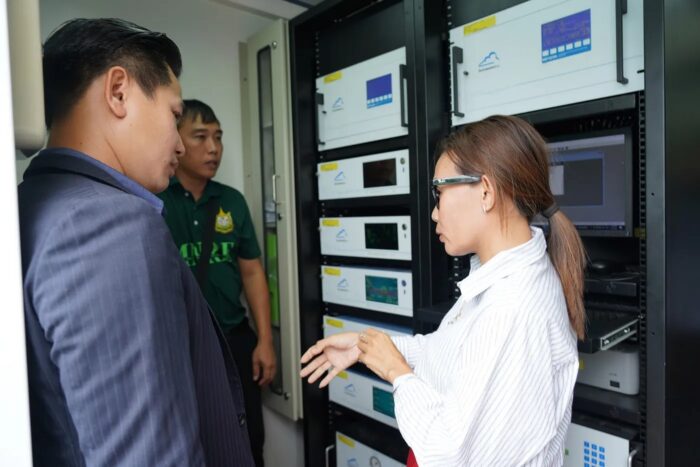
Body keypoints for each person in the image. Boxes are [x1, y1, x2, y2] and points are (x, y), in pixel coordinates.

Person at [18, 19, 254, 466]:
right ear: (119, 91)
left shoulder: (33, 205)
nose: (181, 147)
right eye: (173, 114)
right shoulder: (111, 225)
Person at [300, 115, 586, 466]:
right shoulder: (500, 279)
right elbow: (451, 355)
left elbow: (450, 454)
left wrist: (396, 372)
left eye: (440, 192)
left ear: (485, 191)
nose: (435, 214)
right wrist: (369, 348)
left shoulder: (514, 308)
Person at [158, 99, 277, 467]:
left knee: (249, 439)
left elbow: (252, 272)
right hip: (179, 346)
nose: (213, 148)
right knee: (192, 440)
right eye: (201, 137)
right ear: (177, 139)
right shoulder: (154, 199)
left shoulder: (232, 202)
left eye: (218, 137)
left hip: (233, 339)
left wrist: (265, 342)